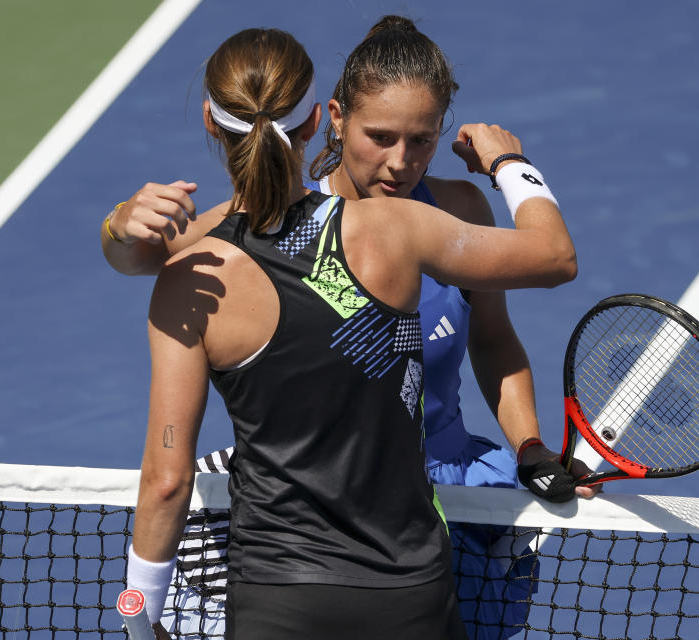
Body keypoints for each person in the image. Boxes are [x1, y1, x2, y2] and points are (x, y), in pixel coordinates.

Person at [104, 16, 594, 640]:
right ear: (328, 119)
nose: (401, 162)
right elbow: (145, 257)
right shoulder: (299, 223)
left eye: (422, 140)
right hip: (349, 533)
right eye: (381, 136)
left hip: (436, 502)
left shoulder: (452, 211)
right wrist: (119, 224)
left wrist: (529, 446)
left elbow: (493, 340)